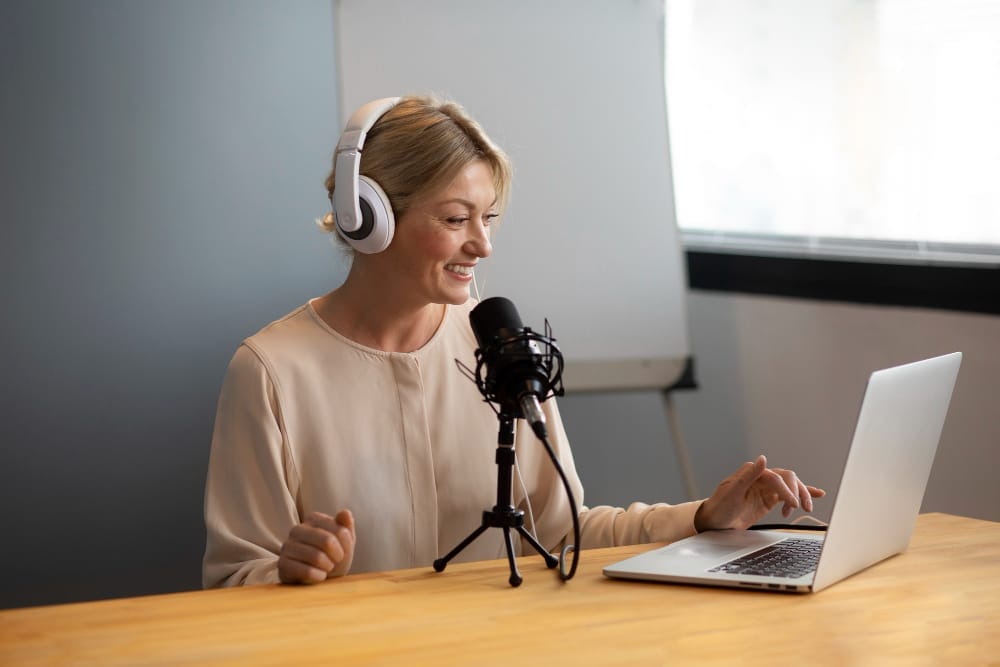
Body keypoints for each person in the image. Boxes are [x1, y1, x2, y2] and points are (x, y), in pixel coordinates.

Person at [202, 95, 824, 587]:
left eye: (489, 217)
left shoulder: (500, 346)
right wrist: (291, 571)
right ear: (370, 217)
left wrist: (702, 518)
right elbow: (234, 577)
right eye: (455, 219)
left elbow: (562, 533)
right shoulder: (271, 370)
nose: (483, 245)